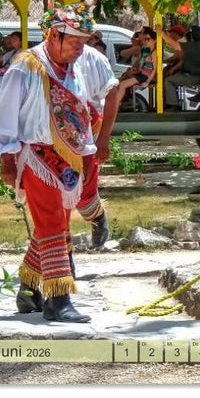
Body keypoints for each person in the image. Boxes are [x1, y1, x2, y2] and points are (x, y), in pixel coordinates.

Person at [0, 0, 118, 323]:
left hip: (71, 157)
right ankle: (57, 300)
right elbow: (4, 119)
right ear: (53, 34)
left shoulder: (83, 63)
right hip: (38, 156)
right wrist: (7, 161)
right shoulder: (25, 67)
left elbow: (102, 97)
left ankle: (29, 290)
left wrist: (98, 138)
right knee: (51, 225)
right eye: (73, 40)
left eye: (83, 40)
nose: (79, 47)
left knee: (58, 221)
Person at [74, 43, 121, 247]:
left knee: (84, 189)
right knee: (50, 191)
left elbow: (112, 95)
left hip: (86, 129)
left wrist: (103, 138)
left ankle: (97, 217)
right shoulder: (37, 58)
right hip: (50, 133)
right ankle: (58, 256)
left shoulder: (94, 58)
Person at [162, 24, 200, 108]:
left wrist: (161, 33)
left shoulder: (189, 46)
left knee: (168, 81)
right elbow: (184, 61)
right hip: (196, 76)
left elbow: (174, 44)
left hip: (192, 77)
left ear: (192, 35)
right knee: (171, 76)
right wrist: (174, 68)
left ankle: (173, 105)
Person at [116, 27, 157, 106]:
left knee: (123, 84)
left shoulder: (153, 51)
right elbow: (141, 64)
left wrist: (147, 82)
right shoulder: (145, 49)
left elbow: (154, 68)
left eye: (141, 33)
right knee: (120, 81)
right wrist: (136, 70)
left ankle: (116, 103)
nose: (139, 34)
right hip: (142, 74)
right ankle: (121, 101)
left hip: (146, 76)